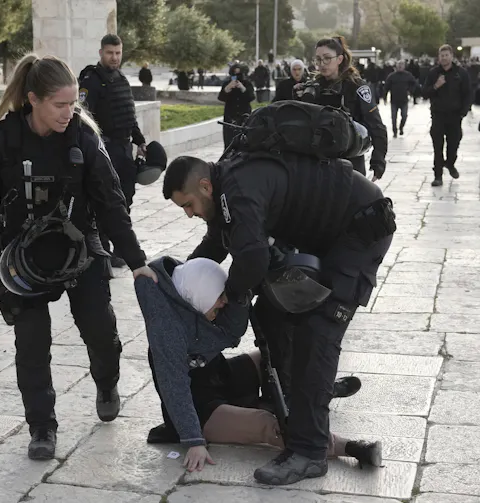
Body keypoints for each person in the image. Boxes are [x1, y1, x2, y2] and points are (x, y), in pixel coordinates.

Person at [0, 53, 157, 461]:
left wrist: (137, 261)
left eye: (72, 104)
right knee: (31, 343)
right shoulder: (2, 137)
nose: (68, 112)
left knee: (100, 331)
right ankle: (42, 427)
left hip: (80, 245)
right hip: (23, 256)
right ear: (33, 100)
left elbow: (112, 204)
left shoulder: (83, 137)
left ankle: (107, 381)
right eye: (59, 105)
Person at [161, 142, 395, 485]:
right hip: (331, 232)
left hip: (362, 228)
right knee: (272, 313)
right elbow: (216, 244)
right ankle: (290, 396)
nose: (190, 213)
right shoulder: (226, 187)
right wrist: (175, 281)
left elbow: (253, 257)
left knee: (317, 333)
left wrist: (230, 299)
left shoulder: (238, 189)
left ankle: (309, 452)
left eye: (189, 205)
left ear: (205, 186)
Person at [136, 256, 382, 472]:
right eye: (219, 297)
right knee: (270, 424)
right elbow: (174, 388)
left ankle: (320, 389)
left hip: (220, 377)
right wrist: (193, 441)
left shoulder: (186, 300)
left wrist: (242, 294)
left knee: (275, 357)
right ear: (199, 295)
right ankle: (350, 447)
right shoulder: (165, 331)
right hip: (203, 412)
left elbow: (230, 335)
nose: (223, 303)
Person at [79, 34, 147, 269]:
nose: (114, 57)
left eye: (118, 53)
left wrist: (140, 141)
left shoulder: (121, 80)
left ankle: (121, 247)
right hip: (104, 149)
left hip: (123, 148)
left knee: (126, 197)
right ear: (101, 53)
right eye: (110, 53)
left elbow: (128, 114)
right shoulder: (92, 80)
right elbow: (85, 118)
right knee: (106, 199)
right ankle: (104, 249)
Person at [296, 37, 387, 179]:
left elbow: (376, 125)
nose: (322, 64)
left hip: (349, 161)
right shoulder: (314, 87)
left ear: (339, 59)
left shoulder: (357, 86)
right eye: (318, 59)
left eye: (327, 58)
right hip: (317, 163)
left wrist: (378, 162)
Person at [422, 44, 471, 187]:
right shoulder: (433, 73)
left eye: (446, 55)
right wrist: (436, 85)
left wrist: (464, 111)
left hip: (455, 116)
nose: (444, 58)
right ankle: (438, 176)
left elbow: (467, 94)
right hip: (438, 116)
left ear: (452, 56)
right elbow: (424, 93)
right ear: (439, 57)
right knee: (437, 147)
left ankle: (450, 163)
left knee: (453, 145)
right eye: (441, 55)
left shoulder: (461, 73)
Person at [218, 63, 255, 149]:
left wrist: (243, 88)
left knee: (243, 140)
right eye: (234, 74)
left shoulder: (247, 84)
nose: (236, 76)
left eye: (239, 74)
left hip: (244, 114)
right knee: (229, 139)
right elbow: (221, 98)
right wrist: (227, 89)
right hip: (230, 115)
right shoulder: (227, 84)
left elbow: (251, 97)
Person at [383, 60, 418, 138]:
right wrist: (384, 97)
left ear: (404, 66)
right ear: (396, 66)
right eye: (399, 65)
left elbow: (414, 84)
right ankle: (395, 131)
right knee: (394, 117)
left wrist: (411, 91)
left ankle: (401, 127)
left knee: (404, 115)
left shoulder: (408, 75)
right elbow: (386, 87)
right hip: (394, 100)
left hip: (404, 99)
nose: (400, 66)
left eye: (401, 65)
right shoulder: (391, 76)